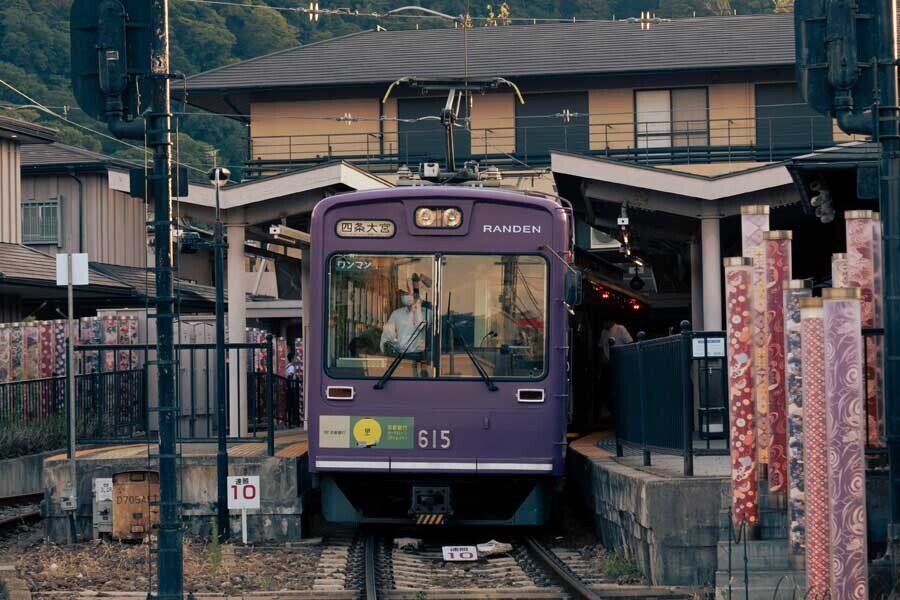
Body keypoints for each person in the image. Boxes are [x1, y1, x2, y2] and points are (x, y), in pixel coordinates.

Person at [380, 274, 431, 357]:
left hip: (420, 358)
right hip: (399, 360)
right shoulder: (396, 314)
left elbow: (420, 325)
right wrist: (391, 347)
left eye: (412, 292)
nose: (409, 294)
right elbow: (386, 339)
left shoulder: (428, 313)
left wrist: (417, 303)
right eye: (407, 291)